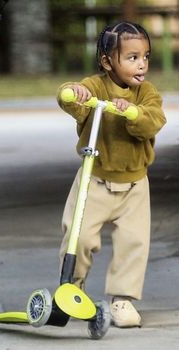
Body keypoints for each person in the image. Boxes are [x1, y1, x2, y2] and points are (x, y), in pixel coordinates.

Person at [57, 21, 166, 328]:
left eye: (145, 56)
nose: (141, 63)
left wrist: (133, 112)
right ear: (108, 61)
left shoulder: (147, 93)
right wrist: (71, 93)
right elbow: (72, 99)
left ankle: (122, 299)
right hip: (96, 180)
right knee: (78, 237)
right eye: (132, 57)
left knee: (134, 242)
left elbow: (153, 120)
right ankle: (71, 289)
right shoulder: (96, 86)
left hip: (135, 184)